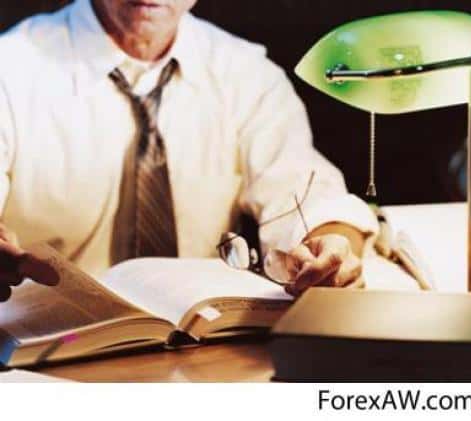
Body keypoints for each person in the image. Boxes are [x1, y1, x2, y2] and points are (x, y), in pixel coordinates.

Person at [0, 0, 378, 302]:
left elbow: (308, 199)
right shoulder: (11, 67)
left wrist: (332, 247)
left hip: (198, 341)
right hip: (48, 339)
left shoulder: (245, 73)